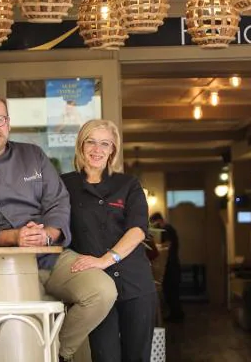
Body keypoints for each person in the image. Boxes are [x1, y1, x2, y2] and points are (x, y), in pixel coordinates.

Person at [0, 93, 117, 362]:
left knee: (102, 291)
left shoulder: (32, 154)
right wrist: (15, 237)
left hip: (50, 256)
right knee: (18, 328)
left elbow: (58, 202)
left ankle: (57, 351)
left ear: (8, 123)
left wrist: (47, 234)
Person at [61, 119, 157, 362]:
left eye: (105, 143)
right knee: (105, 357)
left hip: (134, 283)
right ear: (81, 146)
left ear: (113, 149)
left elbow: (137, 230)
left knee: (137, 357)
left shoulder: (128, 184)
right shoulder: (65, 185)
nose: (97, 149)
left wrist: (106, 259)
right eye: (90, 142)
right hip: (97, 288)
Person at [149, 212, 184, 322]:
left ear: (158, 220)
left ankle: (176, 315)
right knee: (172, 292)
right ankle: (176, 314)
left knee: (171, 292)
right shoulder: (169, 228)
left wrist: (159, 246)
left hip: (171, 266)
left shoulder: (167, 229)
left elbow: (168, 244)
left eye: (154, 223)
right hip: (173, 265)